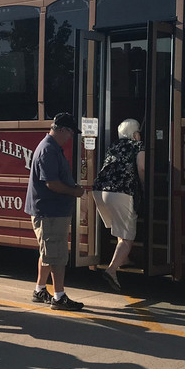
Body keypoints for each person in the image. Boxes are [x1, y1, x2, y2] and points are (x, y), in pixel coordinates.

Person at [25, 113, 87, 311]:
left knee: (47, 252)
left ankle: (40, 289)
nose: (71, 137)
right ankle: (59, 297)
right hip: (49, 211)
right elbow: (52, 184)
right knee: (57, 255)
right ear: (62, 130)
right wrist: (75, 191)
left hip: (50, 210)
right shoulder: (49, 150)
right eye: (70, 133)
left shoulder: (51, 148)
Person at [91, 118, 146, 291]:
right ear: (135, 133)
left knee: (120, 228)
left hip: (101, 191)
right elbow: (142, 167)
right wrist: (144, 187)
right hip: (122, 192)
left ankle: (125, 259)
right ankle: (112, 270)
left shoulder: (113, 145)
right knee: (128, 237)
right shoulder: (138, 145)